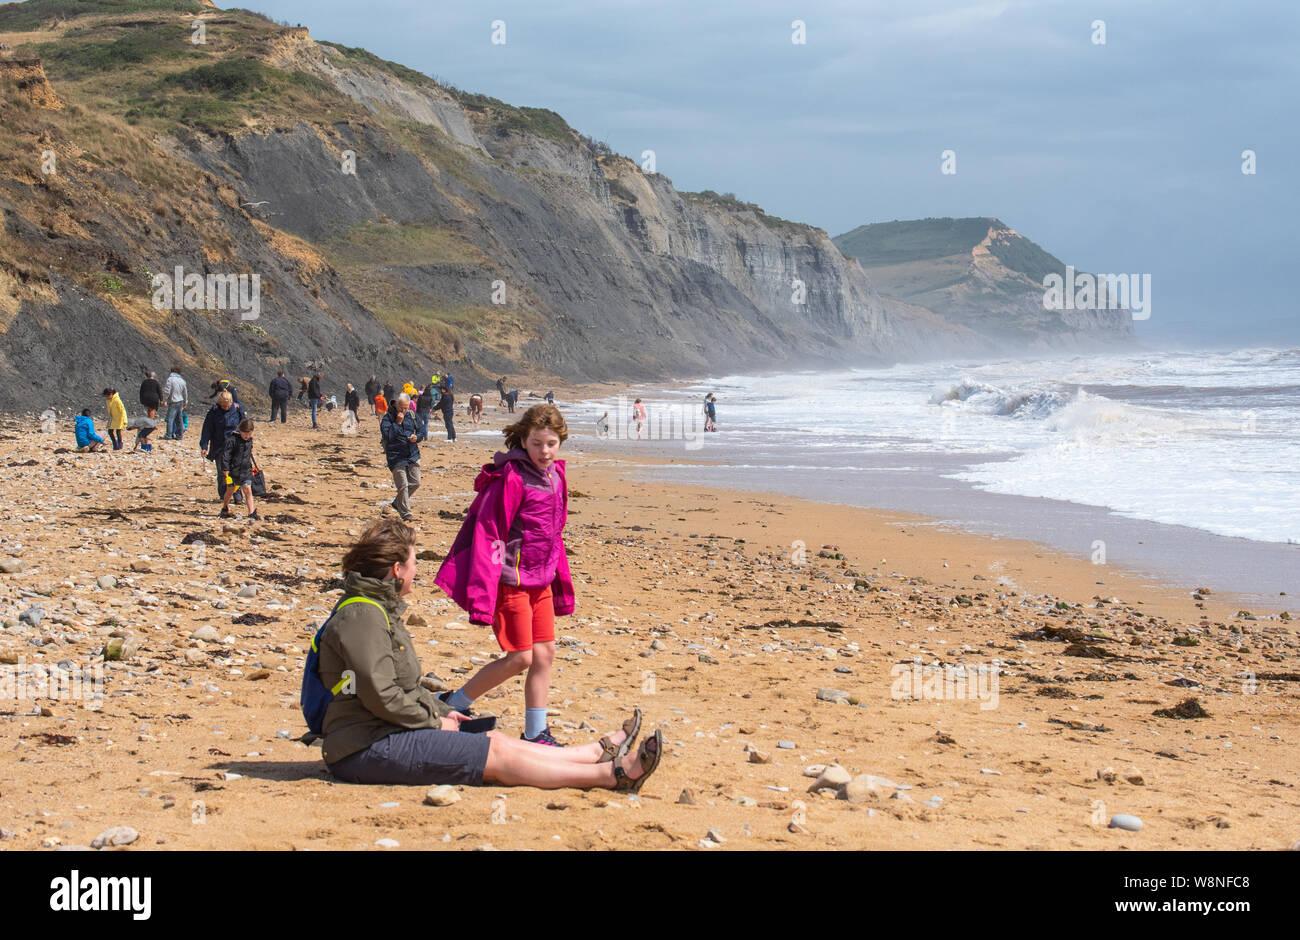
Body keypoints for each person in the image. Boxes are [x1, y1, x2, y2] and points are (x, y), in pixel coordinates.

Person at [318, 518, 663, 791]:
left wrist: (445, 711)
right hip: (363, 748)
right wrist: (434, 721)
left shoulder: (376, 610)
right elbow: (381, 694)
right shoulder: (362, 617)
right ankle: (611, 776)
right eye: (413, 562)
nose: (417, 570)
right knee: (494, 753)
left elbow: (402, 690)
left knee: (493, 739)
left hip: (382, 732)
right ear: (396, 569)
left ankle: (592, 755)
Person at [433, 405, 574, 745]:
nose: (545, 451)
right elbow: (487, 533)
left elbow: (554, 533)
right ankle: (454, 703)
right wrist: (484, 591)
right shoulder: (510, 478)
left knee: (545, 655)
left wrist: (559, 576)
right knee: (521, 657)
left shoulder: (557, 476)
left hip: (541, 581)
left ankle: (536, 732)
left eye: (551, 443)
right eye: (537, 443)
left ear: (561, 442)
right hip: (510, 581)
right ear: (523, 440)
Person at [200, 390, 247, 501]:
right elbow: (207, 429)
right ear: (219, 403)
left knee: (236, 471)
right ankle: (224, 496)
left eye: (227, 405)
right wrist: (204, 446)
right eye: (223, 406)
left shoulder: (237, 408)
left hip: (235, 445)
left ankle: (237, 495)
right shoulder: (214, 411)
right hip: (219, 446)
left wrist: (247, 443)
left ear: (231, 402)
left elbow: (245, 426)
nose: (226, 408)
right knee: (222, 473)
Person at [381, 394, 421, 522]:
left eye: (406, 408)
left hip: (412, 453)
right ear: (396, 404)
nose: (404, 411)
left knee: (415, 483)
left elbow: (421, 431)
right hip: (395, 456)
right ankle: (406, 514)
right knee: (402, 485)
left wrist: (417, 437)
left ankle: (397, 503)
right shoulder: (388, 418)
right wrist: (398, 422)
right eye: (402, 408)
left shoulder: (412, 415)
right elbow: (388, 436)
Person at [220, 418, 260, 521]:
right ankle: (225, 507)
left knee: (247, 490)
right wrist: (225, 468)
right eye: (245, 433)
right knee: (230, 491)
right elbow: (226, 455)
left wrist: (252, 468)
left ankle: (251, 512)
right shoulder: (232, 440)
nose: (247, 436)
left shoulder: (249, 441)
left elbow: (248, 455)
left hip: (245, 470)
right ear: (239, 430)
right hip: (233, 471)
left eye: (249, 433)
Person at [161, 367, 188, 440]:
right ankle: (179, 435)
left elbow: (167, 391)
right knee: (179, 419)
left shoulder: (170, 380)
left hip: (173, 401)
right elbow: (185, 392)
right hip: (180, 401)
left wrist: (164, 400)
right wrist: (185, 401)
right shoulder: (182, 380)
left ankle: (168, 435)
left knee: (170, 419)